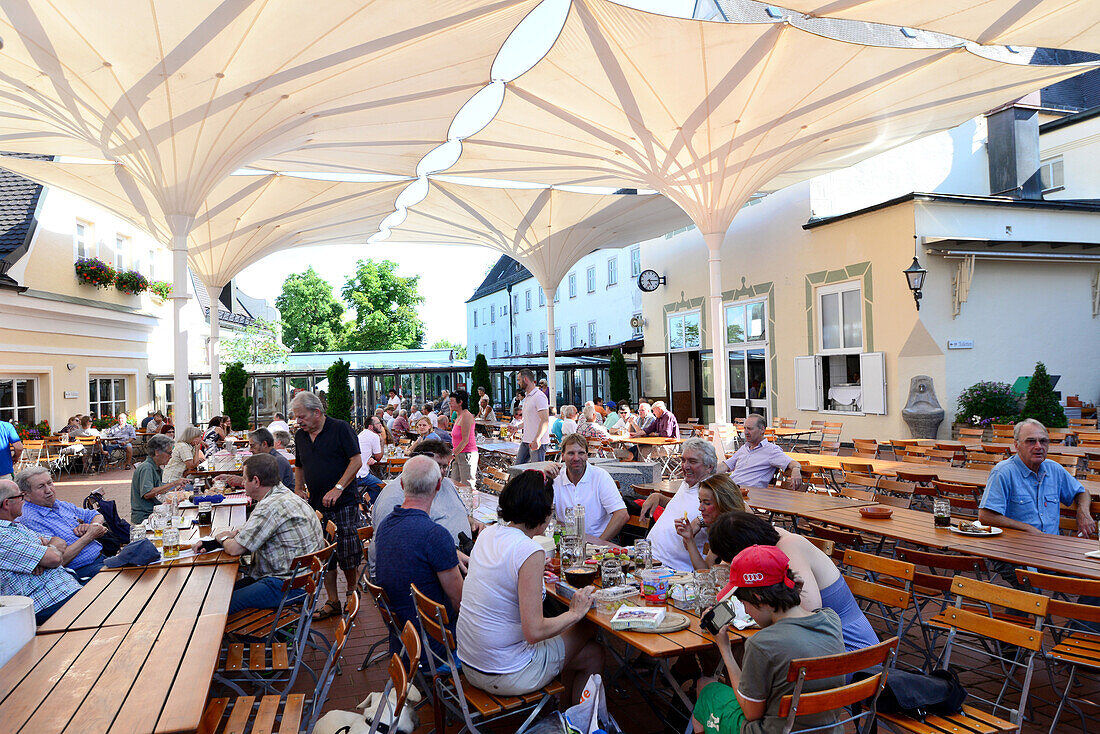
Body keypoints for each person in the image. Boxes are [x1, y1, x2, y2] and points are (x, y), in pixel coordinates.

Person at [456, 470, 603, 703]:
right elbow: (534, 632)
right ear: (543, 512)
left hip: (471, 663)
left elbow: (503, 573)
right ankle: (577, 722)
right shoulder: (529, 551)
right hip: (506, 672)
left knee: (590, 653)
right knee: (586, 629)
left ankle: (566, 717)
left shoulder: (488, 533)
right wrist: (575, 613)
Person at [692, 545, 845, 734]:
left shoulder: (761, 644)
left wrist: (724, 648)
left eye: (743, 603)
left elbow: (751, 714)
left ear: (758, 598)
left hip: (774, 731)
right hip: (828, 728)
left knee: (706, 687)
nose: (746, 610)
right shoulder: (831, 620)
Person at [707, 511, 878, 653]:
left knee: (756, 653)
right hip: (824, 646)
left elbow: (808, 611)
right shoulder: (771, 538)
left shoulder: (788, 547)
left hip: (850, 651)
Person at [196, 453, 324, 614]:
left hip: (287, 585)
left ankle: (223, 636)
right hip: (300, 579)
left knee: (216, 606)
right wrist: (220, 540)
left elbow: (235, 549)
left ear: (256, 481)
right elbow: (254, 530)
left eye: (244, 479)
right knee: (218, 594)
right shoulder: (282, 495)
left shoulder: (270, 506)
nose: (242, 483)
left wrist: (222, 537)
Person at [375, 455, 464, 655]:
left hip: (405, 639)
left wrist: (451, 553)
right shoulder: (435, 534)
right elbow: (461, 603)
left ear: (401, 483)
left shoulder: (386, 525)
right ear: (439, 486)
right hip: (437, 648)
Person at [292, 391, 365, 620]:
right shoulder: (301, 436)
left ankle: (352, 592)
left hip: (344, 500)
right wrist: (298, 488)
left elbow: (357, 461)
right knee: (326, 553)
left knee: (348, 549)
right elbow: (300, 465)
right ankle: (332, 601)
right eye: (296, 417)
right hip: (316, 503)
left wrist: (339, 487)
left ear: (317, 412)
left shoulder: (340, 428)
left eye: (301, 416)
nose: (298, 421)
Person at [370, 439, 477, 578]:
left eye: (446, 466)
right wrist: (444, 552)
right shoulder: (394, 496)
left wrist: (473, 522)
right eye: (438, 466)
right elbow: (393, 546)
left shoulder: (446, 484)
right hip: (422, 571)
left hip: (458, 558)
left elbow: (462, 513)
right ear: (418, 462)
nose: (443, 472)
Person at [979, 418, 1095, 537]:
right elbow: (986, 516)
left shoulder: (1054, 469)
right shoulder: (1003, 472)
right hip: (1017, 547)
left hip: (1052, 546)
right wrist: (1027, 529)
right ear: (1016, 445)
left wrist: (1083, 511)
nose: (1038, 446)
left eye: (1043, 441)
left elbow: (1082, 492)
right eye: (1031, 441)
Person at [0, 479, 83, 624]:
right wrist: (46, 554)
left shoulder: (15, 526)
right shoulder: (3, 536)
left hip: (65, 589)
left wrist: (43, 553)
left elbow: (59, 541)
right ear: (7, 504)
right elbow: (55, 559)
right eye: (20, 497)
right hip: (48, 602)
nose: (23, 501)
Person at [16, 467, 108, 582]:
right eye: (41, 486)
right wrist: (89, 536)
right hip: (81, 571)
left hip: (102, 559)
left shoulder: (56, 503)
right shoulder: (29, 519)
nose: (48, 490)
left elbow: (95, 514)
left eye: (50, 483)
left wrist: (92, 526)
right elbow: (58, 560)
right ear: (26, 495)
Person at [639, 438, 717, 571]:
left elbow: (742, 514)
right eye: (683, 460)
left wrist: (701, 521)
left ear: (709, 467)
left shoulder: (714, 489)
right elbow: (685, 507)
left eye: (692, 461)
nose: (685, 466)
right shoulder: (688, 482)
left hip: (674, 570)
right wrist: (659, 497)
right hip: (649, 558)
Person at [553, 434, 628, 541]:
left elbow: (622, 514)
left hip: (600, 540)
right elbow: (542, 514)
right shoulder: (556, 478)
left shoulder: (600, 476)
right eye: (571, 453)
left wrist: (597, 544)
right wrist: (546, 481)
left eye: (581, 453)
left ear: (587, 455)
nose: (576, 458)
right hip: (567, 542)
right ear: (563, 456)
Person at [674, 473, 747, 571]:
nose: (700, 508)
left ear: (724, 503)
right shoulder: (721, 529)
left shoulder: (739, 531)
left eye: (707, 503)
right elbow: (705, 571)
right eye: (700, 501)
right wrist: (689, 538)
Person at [723, 413, 803, 490]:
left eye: (750, 429)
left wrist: (796, 470)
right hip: (731, 489)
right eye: (745, 428)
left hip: (749, 493)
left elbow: (793, 463)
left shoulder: (771, 450)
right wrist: (711, 472)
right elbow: (726, 465)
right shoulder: (744, 448)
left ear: (762, 430)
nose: (746, 432)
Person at [130, 434, 189, 524]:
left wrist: (175, 488)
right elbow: (148, 493)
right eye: (169, 453)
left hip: (154, 514)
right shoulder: (147, 468)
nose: (171, 456)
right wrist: (174, 483)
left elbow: (158, 490)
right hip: (146, 518)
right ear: (157, 452)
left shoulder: (155, 467)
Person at [218, 429, 296, 491]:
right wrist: (229, 478)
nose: (250, 450)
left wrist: (242, 481)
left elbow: (270, 489)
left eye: (252, 446)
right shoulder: (266, 459)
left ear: (264, 444)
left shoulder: (277, 461)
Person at [510, 369, 550, 465]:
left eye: (519, 380)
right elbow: (530, 420)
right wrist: (516, 428)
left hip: (537, 442)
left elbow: (545, 420)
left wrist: (537, 439)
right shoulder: (528, 396)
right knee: (517, 470)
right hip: (526, 440)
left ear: (526, 379)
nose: (518, 383)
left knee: (537, 473)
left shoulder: (539, 396)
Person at [449, 389, 478, 492]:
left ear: (460, 402)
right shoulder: (458, 415)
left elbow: (465, 440)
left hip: (467, 454)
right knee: (454, 483)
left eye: (452, 401)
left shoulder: (466, 416)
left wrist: (452, 455)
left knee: (467, 485)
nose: (450, 404)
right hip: (458, 454)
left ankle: (470, 506)